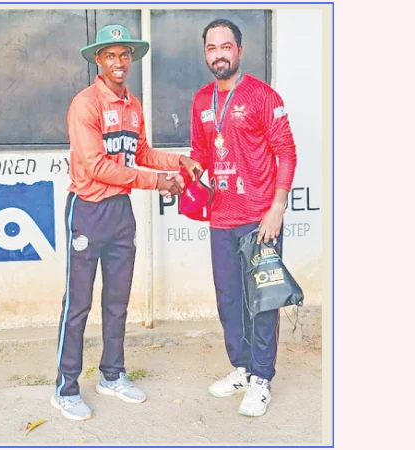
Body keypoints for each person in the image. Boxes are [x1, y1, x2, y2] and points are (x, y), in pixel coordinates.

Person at [52, 24, 202, 421]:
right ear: (98, 60)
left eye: (125, 55)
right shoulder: (85, 104)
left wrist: (179, 161)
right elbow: (96, 166)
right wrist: (157, 182)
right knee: (78, 305)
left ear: (130, 60)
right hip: (87, 209)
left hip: (121, 213)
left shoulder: (133, 105)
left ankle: (112, 375)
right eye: (110, 55)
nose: (119, 62)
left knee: (117, 302)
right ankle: (65, 387)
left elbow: (143, 152)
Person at [184, 18, 298, 417]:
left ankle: (263, 379)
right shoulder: (201, 101)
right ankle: (244, 368)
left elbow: (286, 151)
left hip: (260, 220)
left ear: (239, 51)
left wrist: (277, 208)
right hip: (221, 219)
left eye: (226, 46)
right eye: (212, 48)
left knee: (263, 302)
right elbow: (201, 153)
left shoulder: (263, 96)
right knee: (230, 300)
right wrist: (188, 171)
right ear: (205, 54)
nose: (219, 54)